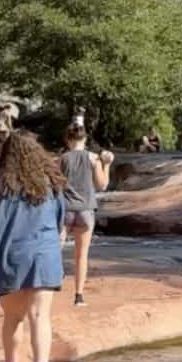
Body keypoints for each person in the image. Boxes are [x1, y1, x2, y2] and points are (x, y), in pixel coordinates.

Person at [0, 132, 66, 362]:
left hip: (7, 256)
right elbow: (59, 220)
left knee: (13, 317)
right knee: (40, 315)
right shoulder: (48, 182)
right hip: (43, 256)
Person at [60, 124, 113, 307]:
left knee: (54, 249)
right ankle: (78, 296)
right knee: (81, 255)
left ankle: (53, 280)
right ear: (85, 139)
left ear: (68, 139)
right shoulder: (93, 158)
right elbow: (102, 185)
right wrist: (106, 165)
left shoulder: (62, 159)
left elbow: (54, 186)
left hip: (65, 209)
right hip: (85, 210)